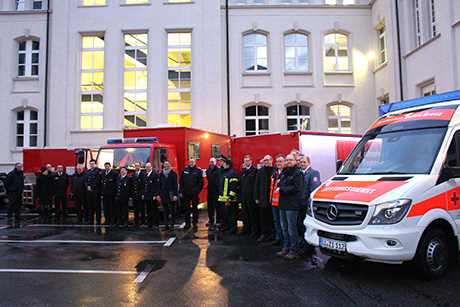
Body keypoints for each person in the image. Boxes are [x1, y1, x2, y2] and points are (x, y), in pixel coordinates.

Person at [276, 154, 303, 260]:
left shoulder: (298, 173)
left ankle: (294, 250)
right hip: (282, 203)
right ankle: (286, 247)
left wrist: (282, 189)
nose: (289, 161)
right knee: (284, 228)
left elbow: (297, 188)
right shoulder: (284, 172)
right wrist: (279, 187)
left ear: (295, 161)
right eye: (287, 160)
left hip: (292, 204)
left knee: (292, 229)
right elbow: (280, 184)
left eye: (291, 160)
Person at [299, 155, 321, 254]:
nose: (302, 164)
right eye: (300, 162)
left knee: (307, 226)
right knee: (301, 226)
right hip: (299, 203)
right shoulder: (300, 173)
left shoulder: (313, 173)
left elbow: (313, 189)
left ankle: (308, 246)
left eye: (304, 162)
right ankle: (303, 242)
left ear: (309, 162)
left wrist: (309, 204)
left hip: (306, 204)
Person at [254, 155, 275, 242]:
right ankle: (264, 234)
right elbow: (257, 184)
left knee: (273, 218)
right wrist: (256, 197)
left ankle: (273, 235)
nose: (266, 162)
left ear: (271, 160)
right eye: (264, 160)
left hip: (272, 200)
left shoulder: (275, 171)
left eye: (267, 160)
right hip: (262, 199)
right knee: (263, 218)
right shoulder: (260, 171)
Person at [179, 157, 204, 231]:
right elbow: (181, 181)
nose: (191, 163)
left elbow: (201, 182)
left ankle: (195, 223)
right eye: (190, 162)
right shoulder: (185, 170)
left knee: (195, 209)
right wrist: (181, 191)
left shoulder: (198, 171)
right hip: (186, 193)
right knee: (186, 209)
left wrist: (197, 191)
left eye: (192, 162)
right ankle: (187, 223)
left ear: (195, 163)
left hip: (194, 193)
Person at [217, 156, 239, 233]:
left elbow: (234, 186)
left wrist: (231, 196)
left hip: (229, 199)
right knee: (225, 215)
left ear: (228, 165)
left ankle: (232, 228)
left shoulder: (232, 173)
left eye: (224, 164)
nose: (223, 165)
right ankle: (226, 226)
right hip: (223, 198)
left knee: (231, 215)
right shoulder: (224, 172)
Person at [238, 155, 258, 235]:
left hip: (251, 196)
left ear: (251, 161)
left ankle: (254, 230)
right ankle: (246, 229)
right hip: (244, 196)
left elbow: (256, 184)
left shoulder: (254, 171)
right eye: (245, 161)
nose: (246, 162)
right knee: (245, 214)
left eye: (247, 160)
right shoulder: (243, 172)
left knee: (252, 214)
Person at [269, 154, 285, 246]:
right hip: (274, 202)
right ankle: (278, 237)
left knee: (283, 223)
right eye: (277, 161)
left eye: (281, 161)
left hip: (282, 202)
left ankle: (284, 239)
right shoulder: (274, 173)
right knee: (276, 221)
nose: (279, 163)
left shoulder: (285, 173)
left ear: (284, 162)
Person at [159, 160, 178, 231]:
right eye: (165, 164)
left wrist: (175, 195)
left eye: (167, 164)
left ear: (170, 165)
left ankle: (172, 225)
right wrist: (159, 194)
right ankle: (166, 225)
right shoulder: (161, 174)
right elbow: (159, 185)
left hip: (171, 195)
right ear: (163, 165)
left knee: (172, 210)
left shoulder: (173, 174)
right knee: (165, 211)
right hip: (164, 194)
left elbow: (175, 185)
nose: (166, 165)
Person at [143, 162, 160, 230]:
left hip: (153, 196)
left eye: (148, 167)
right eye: (146, 167)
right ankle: (149, 223)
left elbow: (157, 185)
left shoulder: (155, 174)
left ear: (151, 167)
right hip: (147, 195)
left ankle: (156, 223)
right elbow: (143, 185)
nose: (147, 168)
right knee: (148, 210)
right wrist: (143, 194)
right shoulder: (144, 175)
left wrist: (156, 194)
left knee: (154, 210)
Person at [85, 159, 102, 225]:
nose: (91, 165)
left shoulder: (98, 171)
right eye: (90, 164)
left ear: (95, 164)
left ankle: (98, 220)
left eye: (93, 164)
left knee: (96, 206)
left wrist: (92, 187)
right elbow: (85, 180)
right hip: (89, 191)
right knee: (90, 206)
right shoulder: (88, 171)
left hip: (95, 191)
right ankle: (91, 219)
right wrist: (87, 186)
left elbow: (97, 180)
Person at [205, 157, 220, 230]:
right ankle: (211, 220)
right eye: (210, 162)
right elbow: (208, 178)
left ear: (215, 162)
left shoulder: (218, 170)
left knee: (217, 206)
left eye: (213, 162)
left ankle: (218, 220)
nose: (211, 163)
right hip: (210, 189)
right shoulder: (208, 170)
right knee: (210, 206)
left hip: (216, 190)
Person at [131, 161, 145, 227]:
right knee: (135, 209)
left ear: (140, 167)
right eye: (135, 166)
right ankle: (136, 221)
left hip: (140, 194)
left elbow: (143, 185)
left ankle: (142, 221)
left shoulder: (143, 174)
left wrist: (142, 194)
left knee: (141, 209)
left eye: (138, 166)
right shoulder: (133, 175)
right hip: (134, 194)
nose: (137, 167)